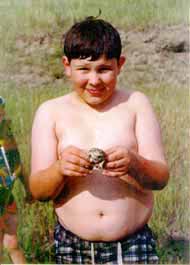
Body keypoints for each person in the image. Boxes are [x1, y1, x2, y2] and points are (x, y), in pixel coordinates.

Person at [29, 16, 169, 264]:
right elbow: (39, 191)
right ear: (67, 66)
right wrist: (60, 168)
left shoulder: (136, 104)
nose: (94, 80)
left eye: (104, 69)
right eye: (83, 69)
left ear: (120, 65)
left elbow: (160, 178)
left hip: (132, 245)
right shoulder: (50, 112)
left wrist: (134, 162)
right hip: (72, 247)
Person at [0, 97, 26, 264]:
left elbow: (18, 165)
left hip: (6, 198)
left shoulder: (6, 135)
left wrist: (28, 189)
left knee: (12, 243)